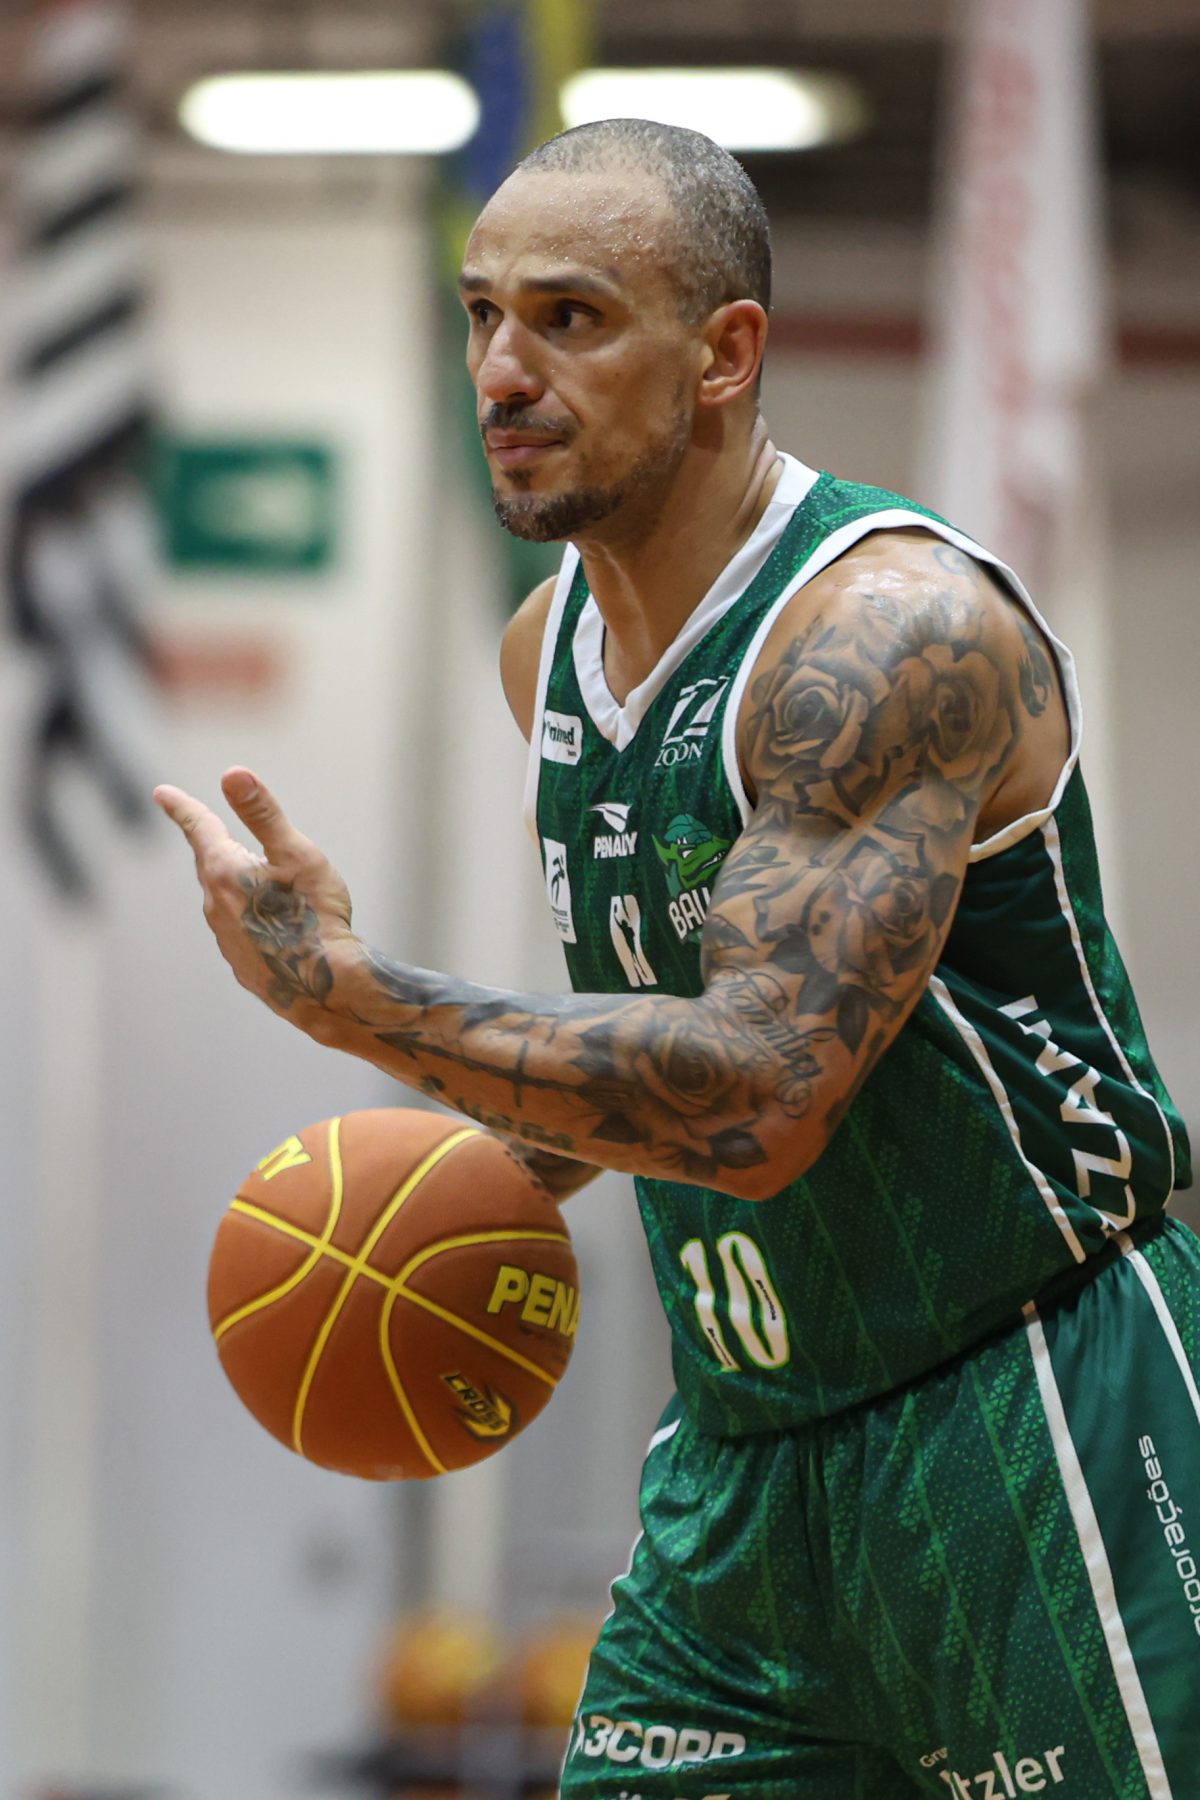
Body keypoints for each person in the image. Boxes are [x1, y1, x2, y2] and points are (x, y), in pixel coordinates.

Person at [156, 120, 1197, 1798]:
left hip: (1020, 1404)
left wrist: (355, 1001)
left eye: (569, 317)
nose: (503, 370)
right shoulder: (546, 654)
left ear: (724, 354)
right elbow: (670, 1046)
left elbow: (760, 1094)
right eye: (482, 315)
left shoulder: (886, 635)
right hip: (744, 1454)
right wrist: (446, 1204)